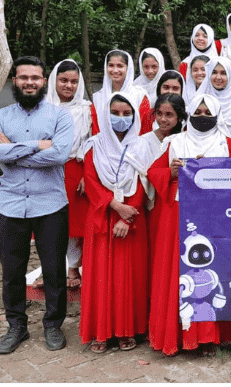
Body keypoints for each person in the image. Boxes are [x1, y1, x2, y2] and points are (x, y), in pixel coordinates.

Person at [0, 56, 74, 354]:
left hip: (51, 205)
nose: (30, 82)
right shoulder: (0, 117)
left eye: (35, 77)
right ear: (14, 81)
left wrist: (9, 149)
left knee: (53, 270)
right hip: (10, 205)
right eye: (24, 77)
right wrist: (37, 145)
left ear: (44, 81)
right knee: (12, 270)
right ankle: (16, 326)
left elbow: (59, 155)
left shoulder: (59, 117)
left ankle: (52, 325)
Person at [146, 93, 231, 356]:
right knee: (178, 273)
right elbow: (153, 172)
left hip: (214, 217)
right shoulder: (175, 141)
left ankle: (211, 337)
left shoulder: (228, 143)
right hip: (179, 215)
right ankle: (176, 336)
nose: (202, 117)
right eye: (197, 112)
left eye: (206, 112)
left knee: (211, 275)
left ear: (216, 114)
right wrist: (172, 172)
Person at [79, 93, 153, 354]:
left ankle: (127, 330)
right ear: (105, 115)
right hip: (102, 216)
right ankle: (100, 330)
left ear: (134, 116)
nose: (121, 119)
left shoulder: (142, 146)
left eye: (126, 114)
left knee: (128, 277)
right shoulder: (95, 144)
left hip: (132, 220)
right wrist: (114, 205)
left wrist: (127, 215)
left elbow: (144, 181)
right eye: (115, 113)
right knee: (100, 276)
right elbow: (89, 179)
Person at [40, 59, 91, 292]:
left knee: (73, 222)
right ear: (54, 80)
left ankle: (73, 267)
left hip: (75, 168)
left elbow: (93, 143)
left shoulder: (86, 110)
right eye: (63, 80)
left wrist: (87, 174)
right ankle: (47, 267)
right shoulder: (41, 107)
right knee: (47, 220)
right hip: (47, 169)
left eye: (73, 82)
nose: (68, 86)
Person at [92, 50, 153, 135]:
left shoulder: (140, 96)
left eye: (120, 66)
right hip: (102, 146)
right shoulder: (98, 98)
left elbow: (145, 129)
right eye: (111, 65)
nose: (115, 70)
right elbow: (95, 130)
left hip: (134, 146)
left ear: (128, 68)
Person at [198, 56, 231, 151]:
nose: (218, 77)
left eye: (223, 73)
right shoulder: (200, 101)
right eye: (214, 72)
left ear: (230, 75)